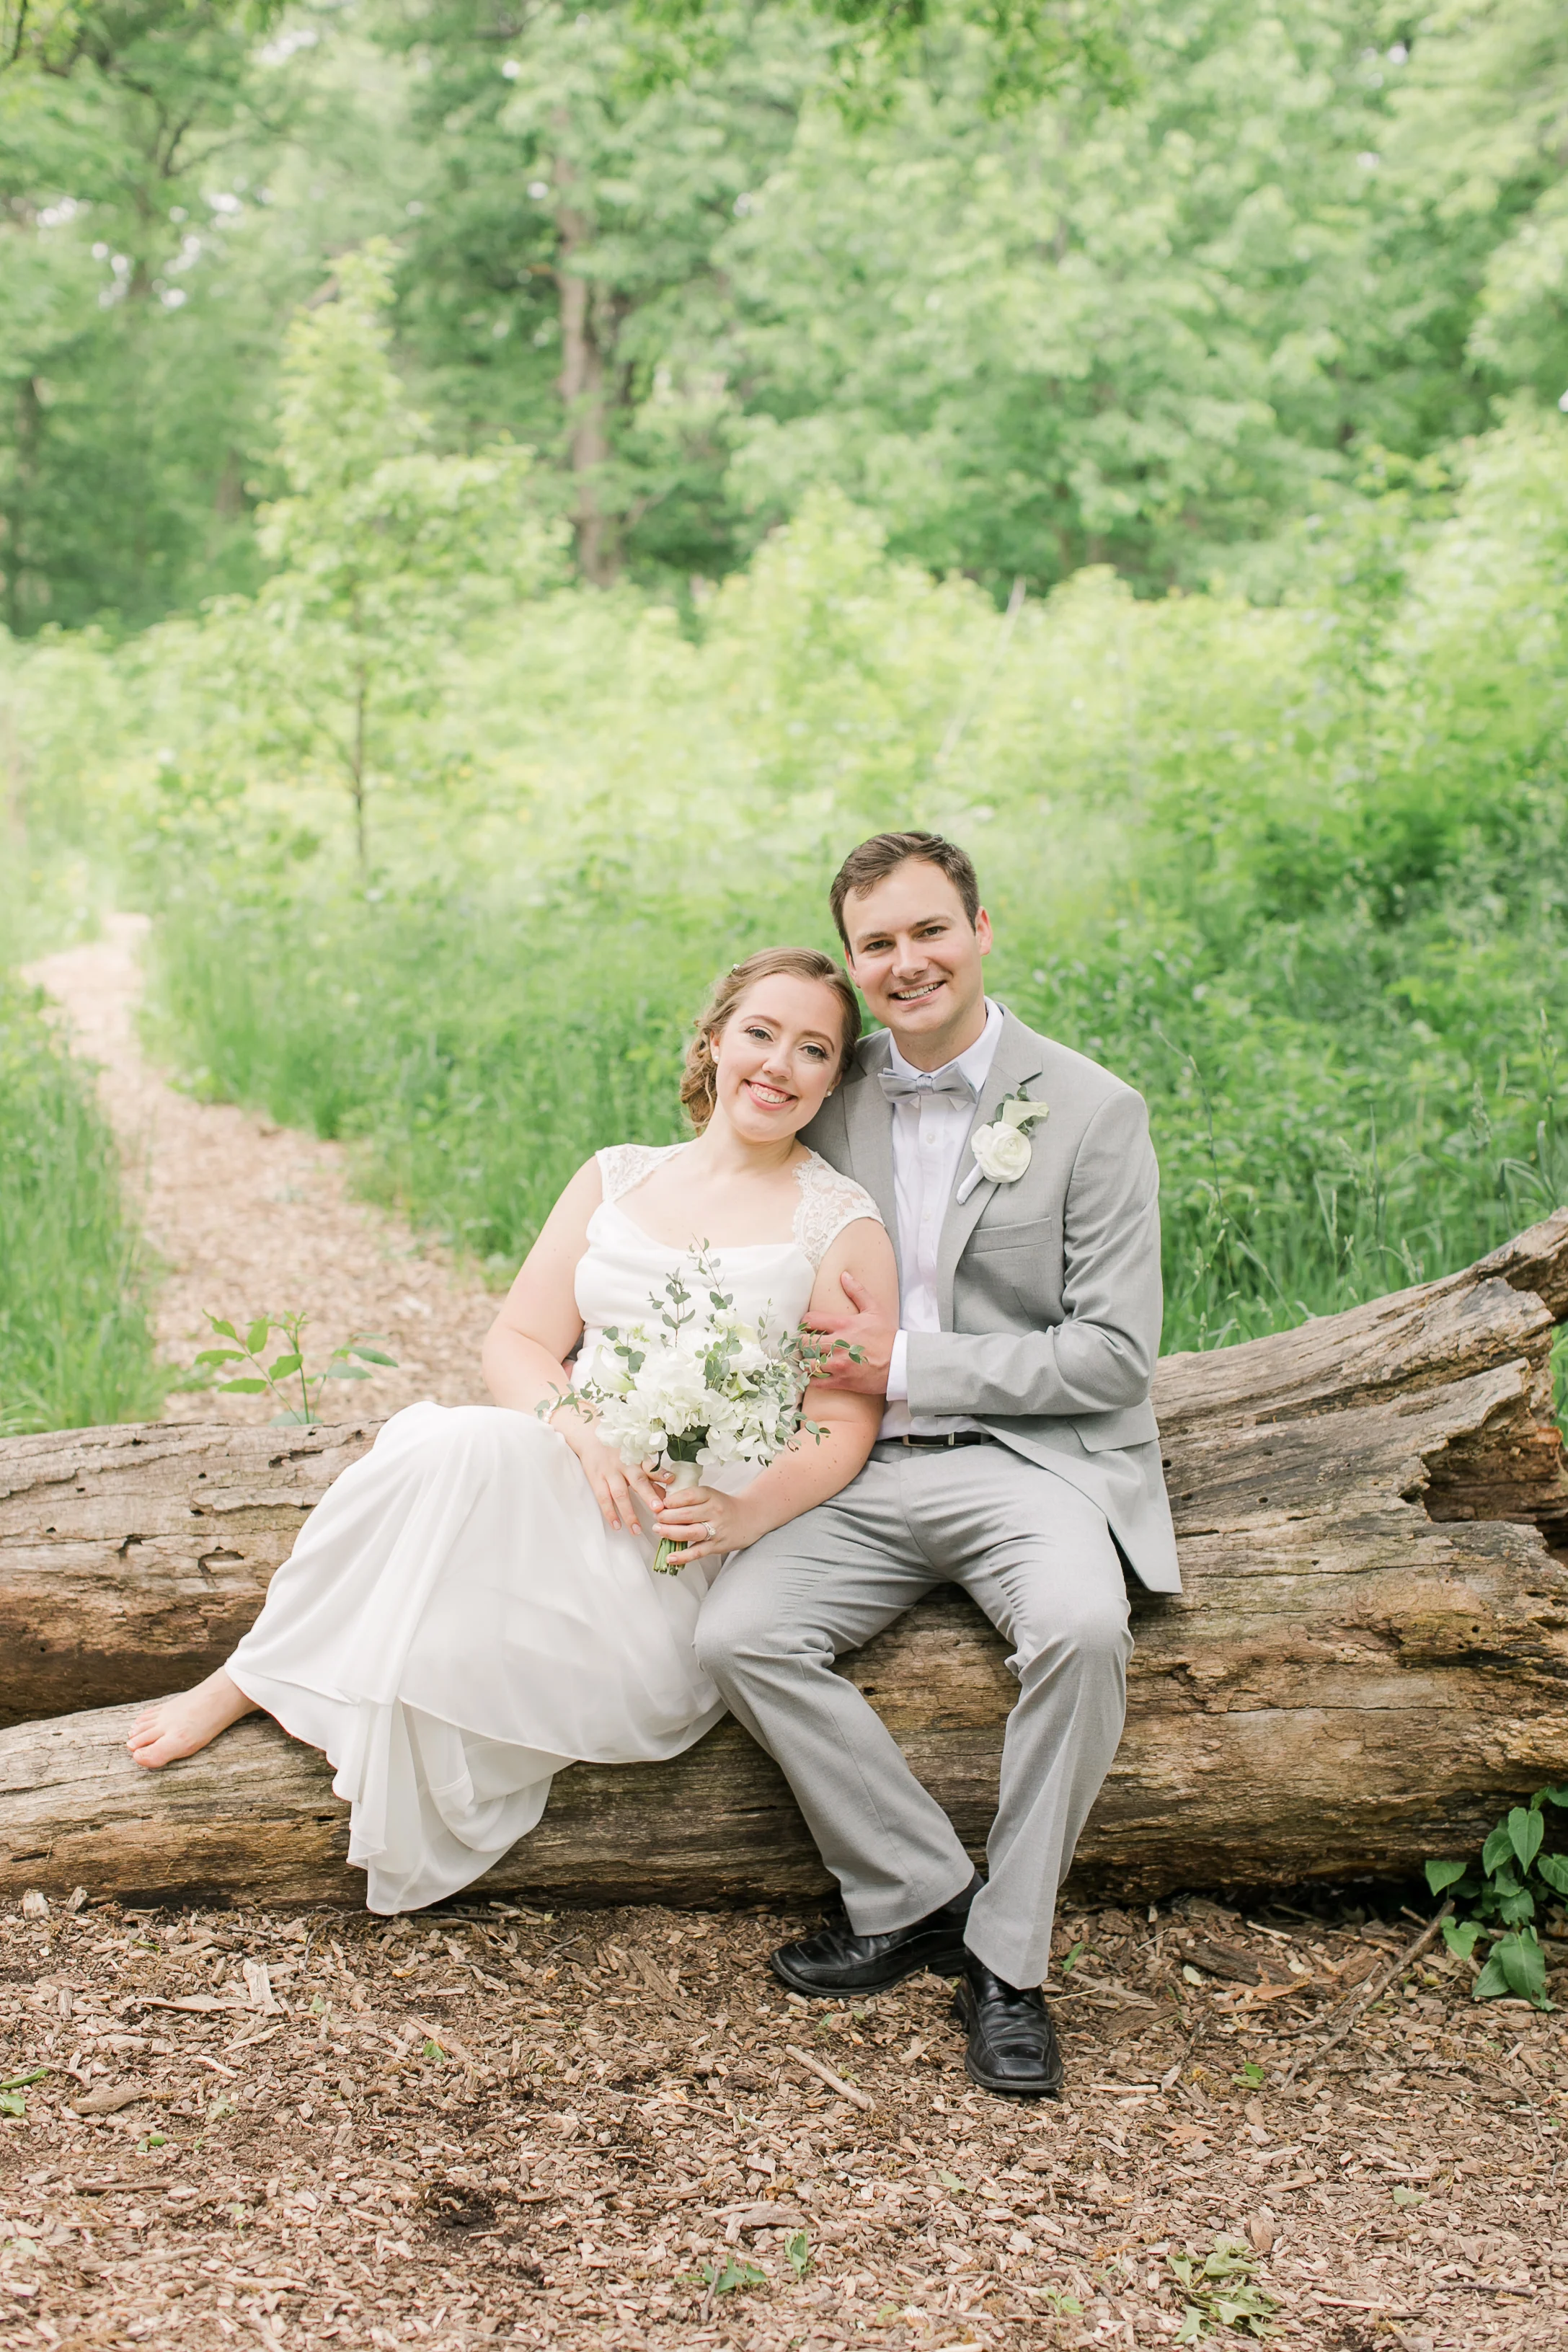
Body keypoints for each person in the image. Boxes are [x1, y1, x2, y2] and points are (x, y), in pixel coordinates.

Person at [125, 949, 897, 1916]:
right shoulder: (618, 1176)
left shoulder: (837, 1220)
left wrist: (739, 1511)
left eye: (814, 1047)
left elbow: (842, 1418)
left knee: (447, 1609)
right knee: (449, 1443)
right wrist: (578, 1428)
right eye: (760, 1032)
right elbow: (521, 1338)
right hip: (568, 1469)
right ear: (713, 1041)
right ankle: (249, 1672)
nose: (779, 1063)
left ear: (833, 1077)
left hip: (681, 1544)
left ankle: (278, 1674)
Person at [694, 831, 1178, 2099]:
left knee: (1078, 1627)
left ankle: (1008, 1966)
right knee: (737, 1632)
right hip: (846, 1472)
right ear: (853, 964)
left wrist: (906, 1364)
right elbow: (713, 1211)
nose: (905, 963)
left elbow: (1114, 1355)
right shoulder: (825, 1084)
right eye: (877, 945)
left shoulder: (1090, 1108)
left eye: (927, 931)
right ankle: (914, 1891)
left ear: (978, 929)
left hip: (1025, 1460)